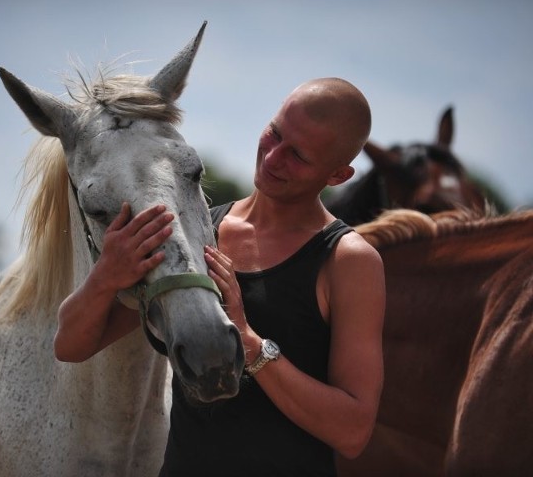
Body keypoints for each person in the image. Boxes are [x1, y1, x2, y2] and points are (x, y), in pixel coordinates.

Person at [55, 77, 385, 476]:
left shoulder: (349, 260)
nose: (273, 157)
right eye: (274, 133)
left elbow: (353, 431)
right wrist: (105, 275)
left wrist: (248, 342)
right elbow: (71, 346)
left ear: (337, 176)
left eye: (297, 154)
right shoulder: (198, 231)